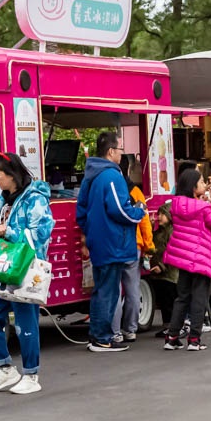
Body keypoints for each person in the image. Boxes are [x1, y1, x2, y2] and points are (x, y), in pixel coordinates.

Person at [0, 149, 55, 394]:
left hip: (25, 269)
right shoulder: (2, 198)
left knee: (26, 324)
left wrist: (8, 232)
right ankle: (5, 368)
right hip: (2, 268)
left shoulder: (36, 198)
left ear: (12, 175)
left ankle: (31, 375)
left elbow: (41, 235)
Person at [77, 131, 146, 352]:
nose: (121, 154)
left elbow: (82, 210)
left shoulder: (92, 175)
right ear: (110, 151)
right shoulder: (112, 176)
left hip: (99, 241)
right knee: (109, 291)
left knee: (102, 290)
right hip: (112, 242)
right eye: (120, 150)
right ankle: (102, 338)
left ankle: (98, 335)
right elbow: (119, 210)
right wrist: (138, 212)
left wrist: (89, 232)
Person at [162, 167, 211, 351]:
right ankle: (194, 339)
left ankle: (172, 336)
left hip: (183, 257)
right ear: (192, 187)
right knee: (199, 298)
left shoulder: (175, 204)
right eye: (201, 182)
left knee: (182, 297)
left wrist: (205, 200)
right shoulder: (203, 207)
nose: (205, 184)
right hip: (201, 257)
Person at [111, 155, 155, 344]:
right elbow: (144, 221)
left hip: (113, 244)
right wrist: (149, 245)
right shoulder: (135, 191)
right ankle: (130, 329)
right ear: (128, 170)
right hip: (134, 246)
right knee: (132, 289)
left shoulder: (109, 188)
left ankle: (114, 332)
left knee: (114, 290)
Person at [149, 202, 179, 336]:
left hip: (170, 274)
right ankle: (168, 326)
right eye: (158, 214)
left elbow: (172, 252)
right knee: (164, 301)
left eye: (162, 214)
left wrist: (161, 266)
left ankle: (173, 327)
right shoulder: (159, 232)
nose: (158, 217)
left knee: (169, 301)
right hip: (159, 274)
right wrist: (149, 227)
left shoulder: (172, 232)